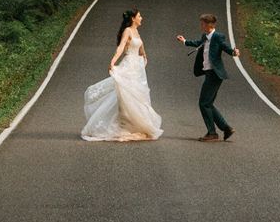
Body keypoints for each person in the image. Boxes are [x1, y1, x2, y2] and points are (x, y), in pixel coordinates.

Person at [81, 9, 162, 141]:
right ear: (133, 18)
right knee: (125, 95)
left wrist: (144, 55)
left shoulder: (136, 31)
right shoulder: (128, 31)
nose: (142, 18)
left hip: (137, 68)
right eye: (139, 16)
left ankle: (133, 125)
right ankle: (123, 125)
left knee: (137, 97)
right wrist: (113, 61)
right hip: (129, 65)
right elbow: (121, 47)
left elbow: (140, 47)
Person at [177, 13, 239, 142]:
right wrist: (184, 41)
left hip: (215, 74)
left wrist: (234, 52)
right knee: (208, 103)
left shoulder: (217, 36)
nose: (201, 25)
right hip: (209, 73)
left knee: (203, 103)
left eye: (202, 23)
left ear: (208, 25)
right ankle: (226, 128)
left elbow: (225, 47)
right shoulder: (205, 36)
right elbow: (198, 43)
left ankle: (212, 133)